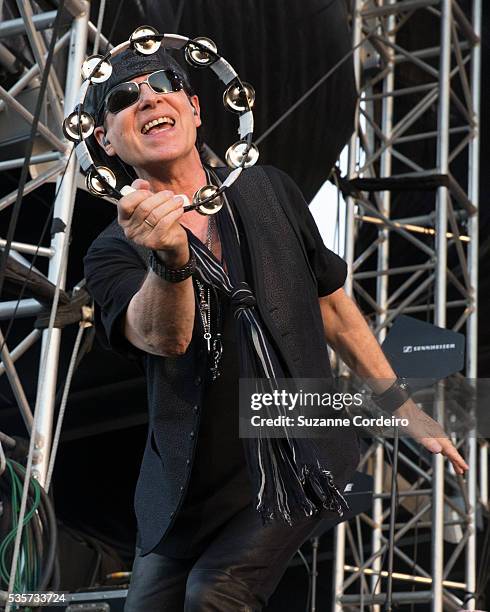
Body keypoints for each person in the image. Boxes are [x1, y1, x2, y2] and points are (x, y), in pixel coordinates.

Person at [82, 46, 468, 611]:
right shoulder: (111, 249)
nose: (148, 97)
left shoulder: (268, 189)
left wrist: (402, 407)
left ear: (193, 107)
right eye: (123, 98)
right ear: (105, 142)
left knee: (214, 595)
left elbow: (332, 305)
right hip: (183, 487)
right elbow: (166, 338)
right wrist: (168, 261)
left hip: (295, 446)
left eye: (163, 83)